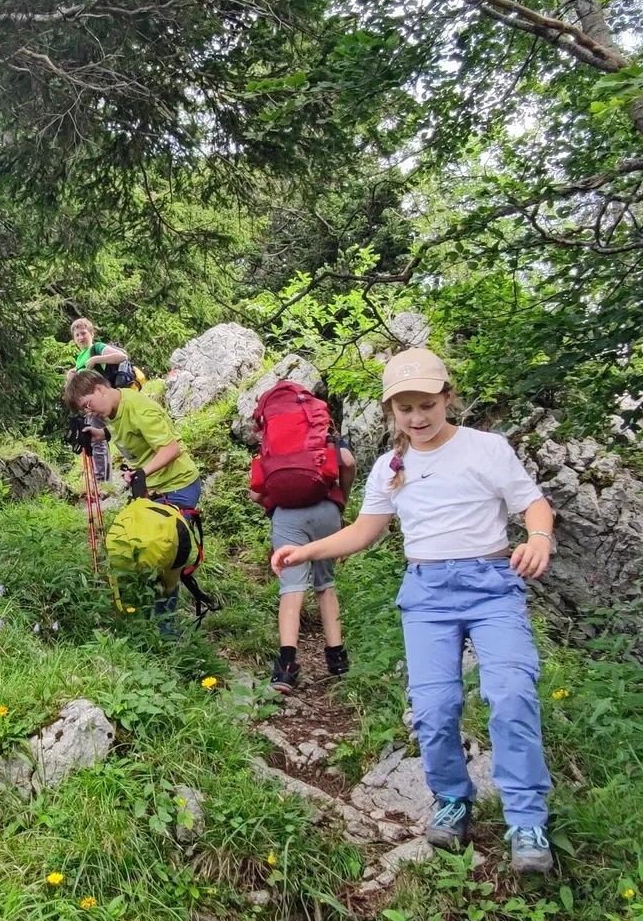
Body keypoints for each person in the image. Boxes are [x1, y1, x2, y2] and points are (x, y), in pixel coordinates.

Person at [270, 346, 558, 872]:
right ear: (391, 412)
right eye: (405, 408)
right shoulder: (389, 468)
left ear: (447, 397)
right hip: (426, 593)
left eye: (426, 403)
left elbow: (532, 502)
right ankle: (451, 799)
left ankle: (526, 820)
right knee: (432, 710)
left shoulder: (486, 449)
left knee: (511, 694)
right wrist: (306, 551)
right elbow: (363, 531)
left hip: (493, 585)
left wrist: (538, 536)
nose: (417, 417)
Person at [65, 362, 203, 632]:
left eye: (87, 404)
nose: (88, 411)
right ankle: (148, 621)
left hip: (178, 486)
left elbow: (171, 448)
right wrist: (101, 434)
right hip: (151, 489)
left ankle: (166, 633)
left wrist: (142, 472)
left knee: (165, 554)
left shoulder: (139, 406)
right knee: (143, 551)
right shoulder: (112, 411)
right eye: (83, 409)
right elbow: (124, 430)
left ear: (99, 389)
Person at [266, 423, 356, 691]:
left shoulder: (274, 438)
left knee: (291, 588)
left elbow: (255, 492)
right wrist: (342, 499)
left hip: (287, 514)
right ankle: (337, 659)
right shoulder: (324, 433)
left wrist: (280, 499)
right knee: (325, 585)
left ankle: (286, 668)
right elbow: (348, 462)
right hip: (327, 509)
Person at [66, 315, 135, 478]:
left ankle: (107, 476)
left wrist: (97, 358)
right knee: (98, 438)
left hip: (106, 400)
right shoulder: (79, 358)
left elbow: (122, 356)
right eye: (77, 335)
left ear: (91, 333)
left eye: (84, 333)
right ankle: (102, 478)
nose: (81, 337)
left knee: (115, 435)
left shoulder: (96, 348)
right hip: (92, 405)